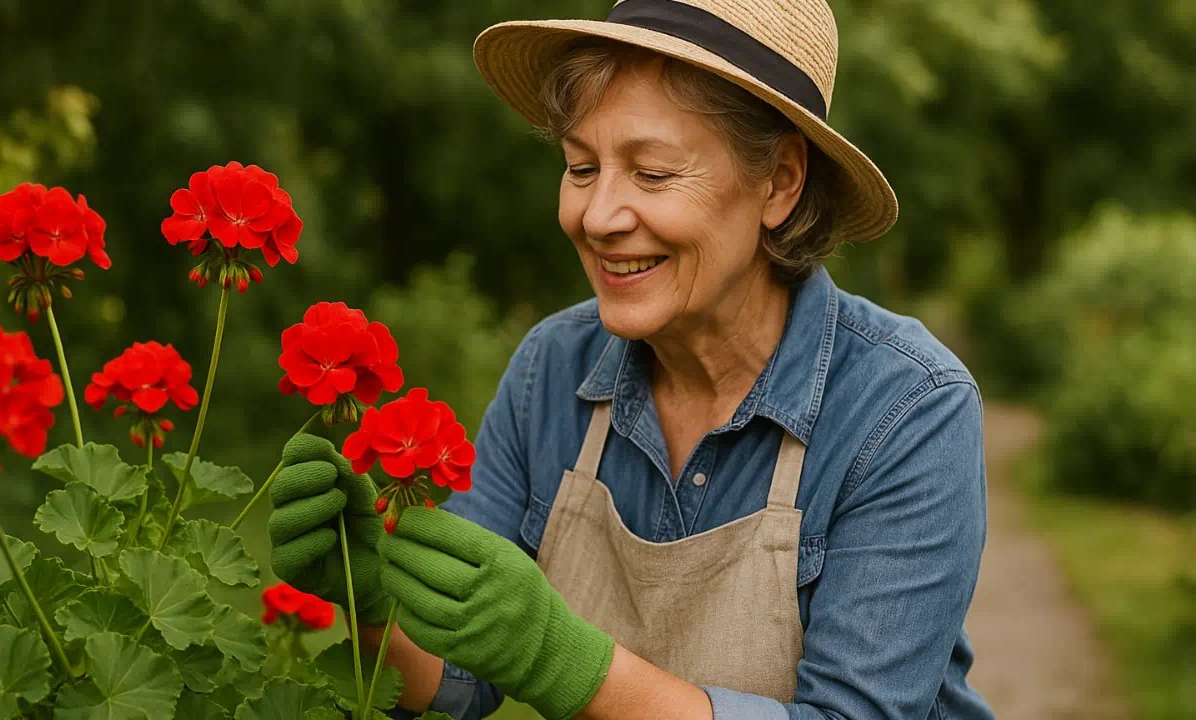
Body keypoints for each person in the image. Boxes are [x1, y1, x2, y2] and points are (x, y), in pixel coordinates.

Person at [267, 0, 995, 718]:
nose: (597, 216)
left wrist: (563, 660)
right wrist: (368, 605)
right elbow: (461, 675)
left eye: (651, 174)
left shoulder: (906, 408)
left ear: (780, 183)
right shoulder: (551, 368)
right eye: (581, 168)